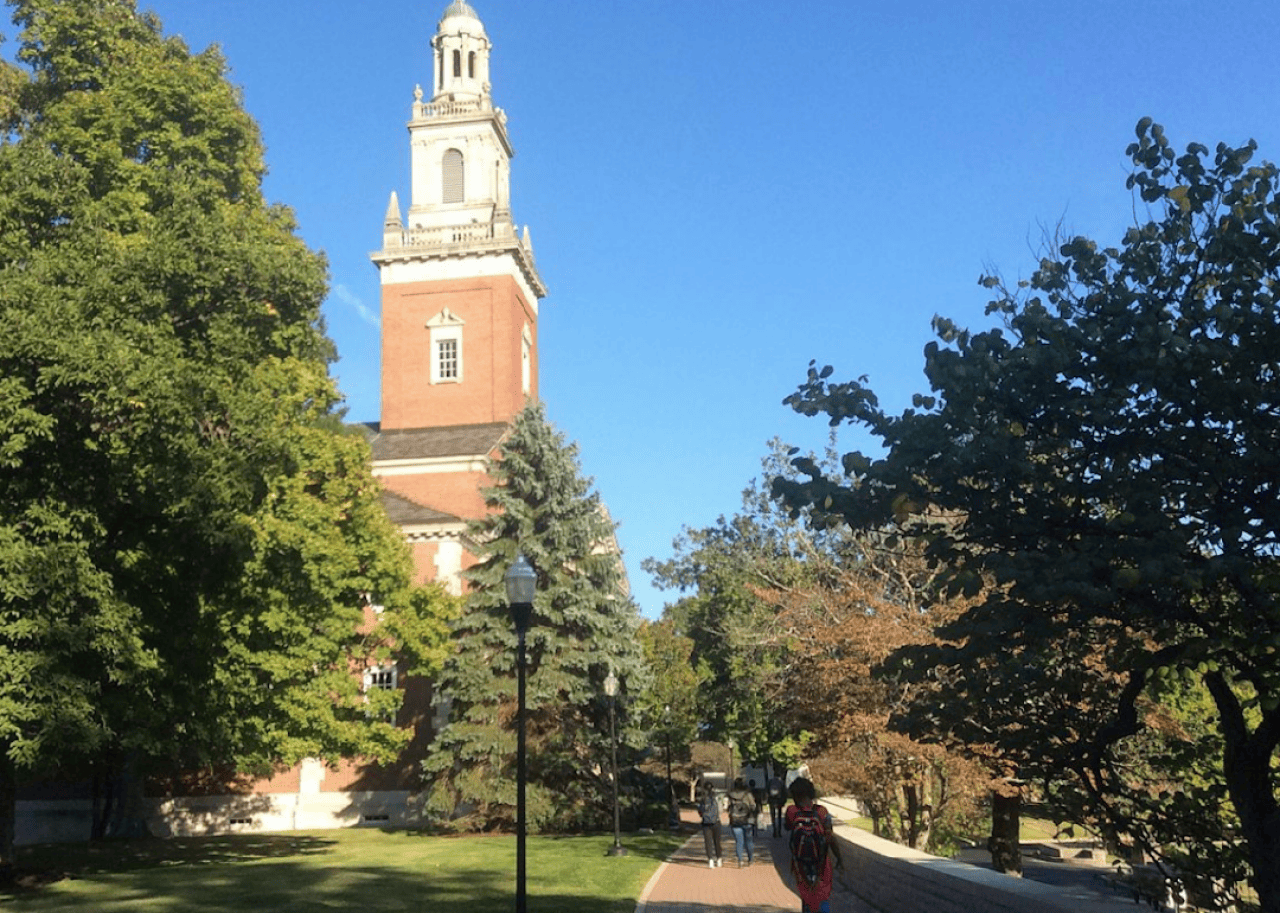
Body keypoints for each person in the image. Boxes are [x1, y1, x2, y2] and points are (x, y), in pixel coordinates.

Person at [784, 777, 844, 913]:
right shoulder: (822, 811)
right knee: (822, 896)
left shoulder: (791, 811)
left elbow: (787, 827)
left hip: (800, 864)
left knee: (806, 896)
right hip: (821, 862)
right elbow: (830, 837)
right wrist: (839, 857)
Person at [726, 776, 758, 867]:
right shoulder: (747, 794)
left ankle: (740, 860)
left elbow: (727, 807)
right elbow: (753, 806)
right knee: (749, 841)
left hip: (735, 821)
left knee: (739, 842)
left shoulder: (730, 794)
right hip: (747, 820)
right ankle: (750, 859)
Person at [697, 779, 723, 868]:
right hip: (716, 822)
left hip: (705, 823)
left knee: (708, 842)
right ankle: (719, 859)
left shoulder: (702, 799)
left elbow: (700, 810)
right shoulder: (716, 797)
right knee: (717, 841)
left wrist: (704, 816)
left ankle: (710, 860)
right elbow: (721, 810)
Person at [766, 772, 787, 837]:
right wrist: (784, 801)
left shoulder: (770, 781)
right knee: (779, 816)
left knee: (773, 815)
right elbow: (784, 792)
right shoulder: (781, 782)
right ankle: (779, 831)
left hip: (772, 800)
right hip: (779, 800)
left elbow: (767, 791)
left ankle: (774, 829)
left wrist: (767, 800)